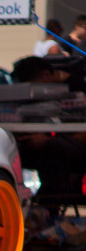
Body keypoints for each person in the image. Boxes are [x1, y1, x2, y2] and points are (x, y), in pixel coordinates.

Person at [11, 56, 85, 211]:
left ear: (46, 74)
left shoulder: (79, 87)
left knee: (53, 149)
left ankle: (48, 208)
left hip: (71, 146)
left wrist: (49, 138)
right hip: (42, 142)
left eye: (34, 86)